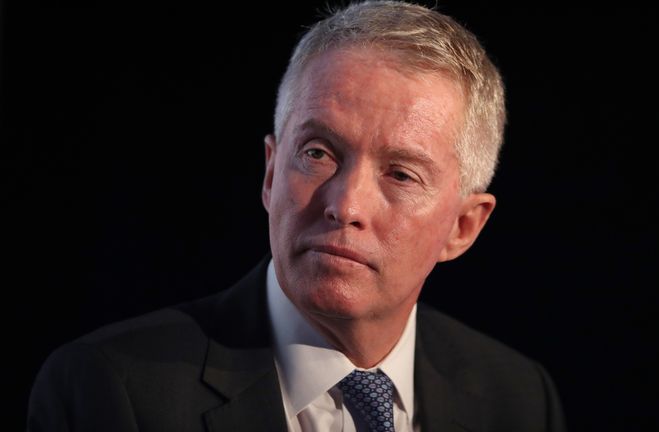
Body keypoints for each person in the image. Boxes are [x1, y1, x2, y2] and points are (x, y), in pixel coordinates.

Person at [28, 1, 567, 431]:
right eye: (317, 153)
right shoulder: (110, 387)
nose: (346, 205)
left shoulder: (517, 396)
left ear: (462, 226)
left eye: (400, 174)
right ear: (269, 173)